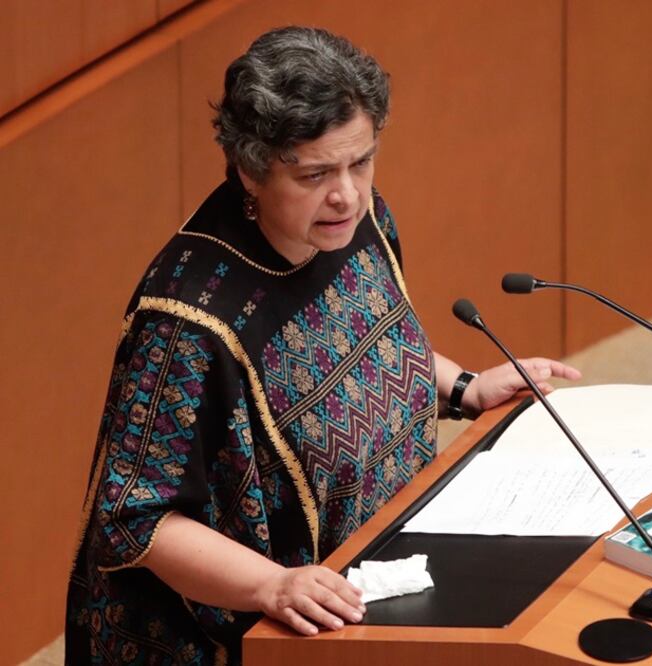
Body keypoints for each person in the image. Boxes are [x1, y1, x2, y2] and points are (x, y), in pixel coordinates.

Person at [65, 26, 580, 664]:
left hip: (371, 578)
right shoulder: (188, 324)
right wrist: (270, 584)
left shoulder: (357, 223)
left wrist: (462, 387)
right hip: (240, 635)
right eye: (314, 173)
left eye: (360, 161)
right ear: (251, 171)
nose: (347, 193)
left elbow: (369, 340)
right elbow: (136, 518)